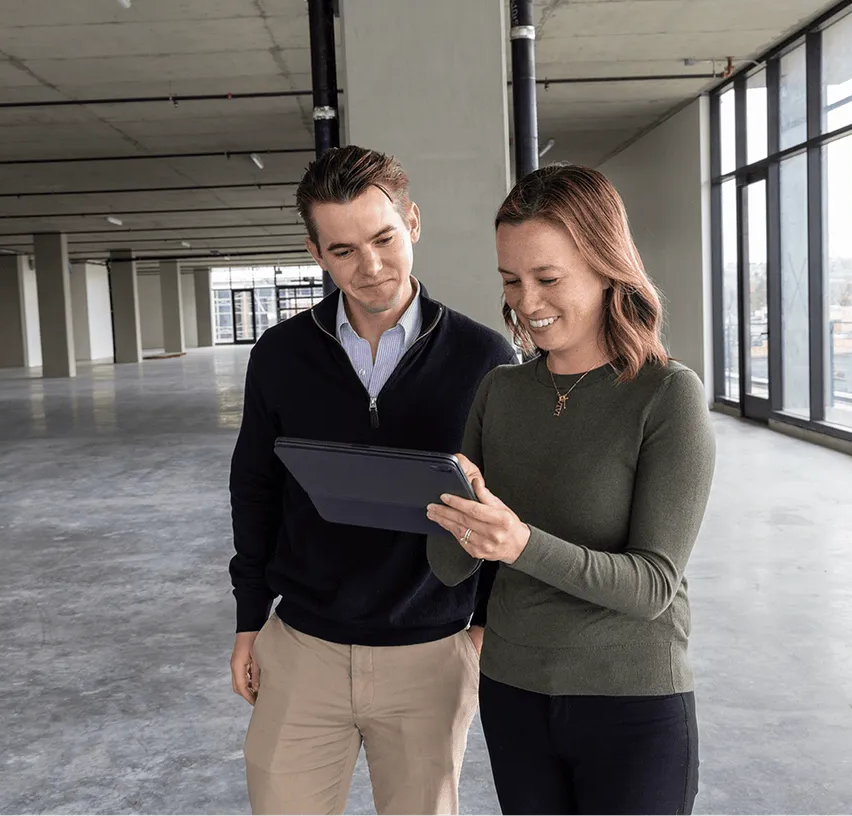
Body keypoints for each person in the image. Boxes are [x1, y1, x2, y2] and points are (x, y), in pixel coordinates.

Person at [228, 145, 517, 816]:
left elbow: (511, 500)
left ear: (412, 223)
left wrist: (482, 634)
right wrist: (249, 621)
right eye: (344, 251)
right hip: (302, 648)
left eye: (384, 238)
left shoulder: (484, 358)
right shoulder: (279, 356)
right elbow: (256, 490)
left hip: (431, 652)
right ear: (315, 252)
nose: (372, 266)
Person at [426, 164, 716, 816]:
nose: (526, 302)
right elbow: (447, 568)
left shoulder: (668, 397)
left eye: (548, 278)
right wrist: (444, 508)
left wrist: (518, 542)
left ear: (607, 265)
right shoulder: (500, 391)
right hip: (513, 693)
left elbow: (650, 586)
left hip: (633, 705)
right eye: (511, 280)